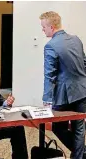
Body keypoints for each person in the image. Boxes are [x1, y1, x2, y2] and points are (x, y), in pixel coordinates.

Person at [40, 11, 86, 159]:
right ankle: (80, 155)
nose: (42, 30)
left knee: (58, 127)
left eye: (43, 27)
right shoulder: (76, 39)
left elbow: (49, 75)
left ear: (51, 27)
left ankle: (80, 154)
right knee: (79, 128)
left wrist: (47, 99)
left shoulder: (51, 46)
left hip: (64, 95)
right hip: (83, 90)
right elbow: (84, 63)